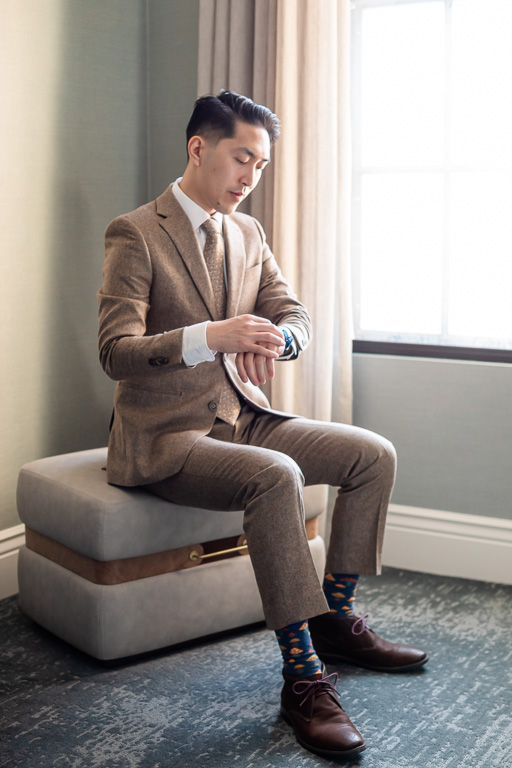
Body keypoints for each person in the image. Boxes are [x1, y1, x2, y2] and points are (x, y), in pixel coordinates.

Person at [98, 90, 427, 758]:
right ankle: (303, 674)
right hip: (168, 436)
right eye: (241, 158)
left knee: (373, 455)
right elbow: (114, 351)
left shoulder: (248, 231)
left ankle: (334, 615)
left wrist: (280, 339)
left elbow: (293, 311)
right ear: (199, 149)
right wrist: (212, 335)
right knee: (279, 478)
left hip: (244, 415)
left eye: (262, 164)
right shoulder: (134, 232)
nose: (251, 176)